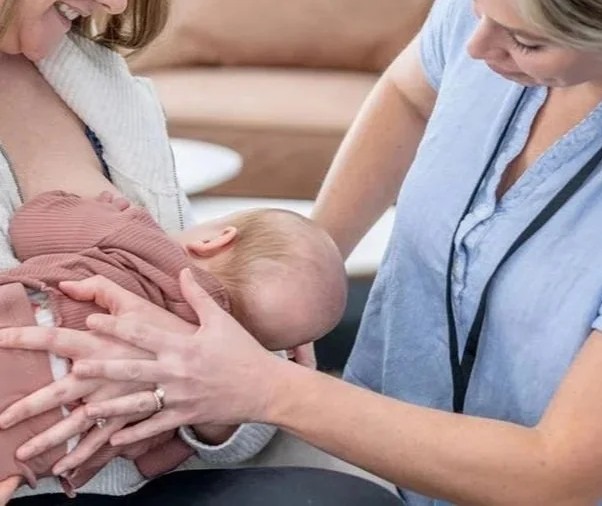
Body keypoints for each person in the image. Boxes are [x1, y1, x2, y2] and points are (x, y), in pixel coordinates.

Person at [10, 0, 602, 505]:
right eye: (469, 1)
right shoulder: (488, 7)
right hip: (357, 447)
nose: (474, 52)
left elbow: (560, 471)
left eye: (523, 39)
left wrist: (263, 386)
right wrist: (294, 268)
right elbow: (409, 93)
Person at [0, 0, 400, 505]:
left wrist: (198, 402)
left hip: (128, 470)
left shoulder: (95, 87)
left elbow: (228, 361)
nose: (117, 0)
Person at [0, 190, 347, 500]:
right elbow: (153, 463)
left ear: (216, 240)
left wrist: (100, 208)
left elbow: (33, 223)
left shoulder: (141, 240)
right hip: (27, 450)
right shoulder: (199, 393)